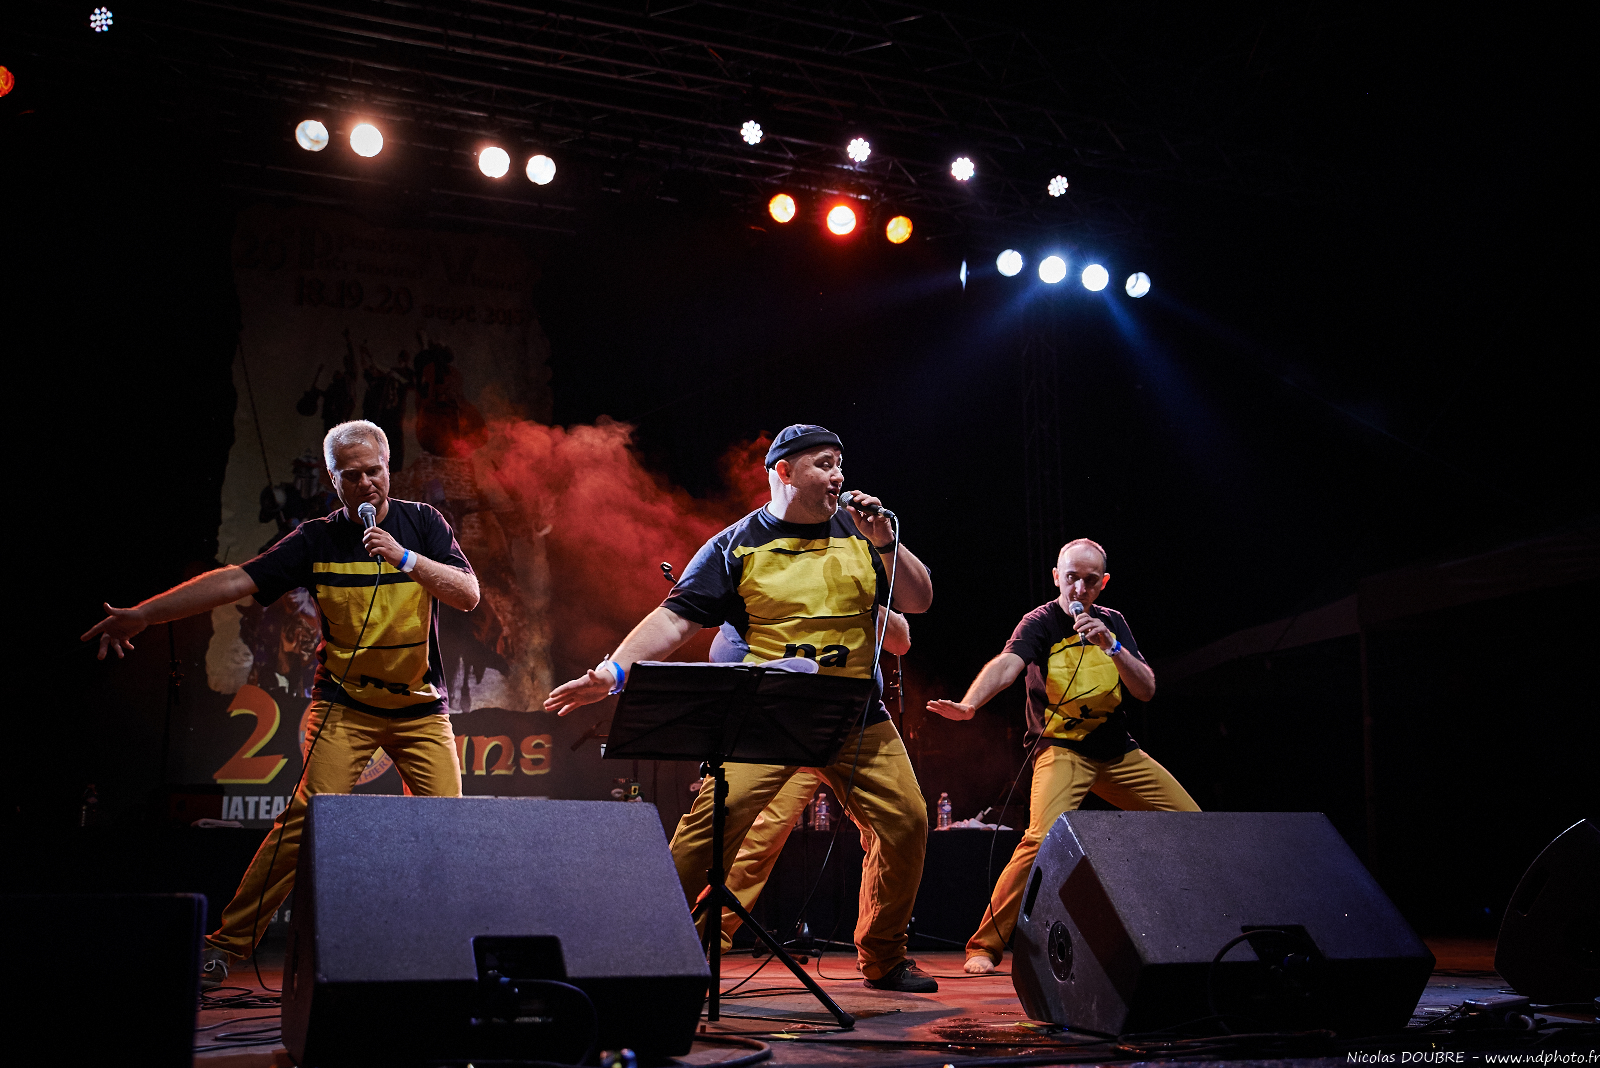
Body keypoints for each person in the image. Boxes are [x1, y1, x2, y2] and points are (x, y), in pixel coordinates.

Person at [81, 419, 480, 990]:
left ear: (389, 469)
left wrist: (405, 558)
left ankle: (444, 953)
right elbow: (233, 581)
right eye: (352, 475)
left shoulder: (423, 524)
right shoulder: (315, 540)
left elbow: (468, 594)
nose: (366, 484)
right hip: (345, 706)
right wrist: (144, 614)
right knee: (305, 821)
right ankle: (224, 946)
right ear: (333, 480)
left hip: (420, 709)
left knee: (449, 830)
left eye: (374, 471)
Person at [544, 424, 939, 992]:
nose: (838, 476)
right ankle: (646, 953)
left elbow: (918, 602)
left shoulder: (861, 533)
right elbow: (674, 619)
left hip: (855, 714)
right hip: (770, 715)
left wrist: (886, 542)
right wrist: (612, 673)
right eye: (824, 464)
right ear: (784, 471)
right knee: (710, 828)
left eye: (840, 463)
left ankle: (884, 956)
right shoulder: (735, 544)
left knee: (908, 821)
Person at [926, 537, 1199, 975]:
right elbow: (1008, 664)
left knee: (1193, 823)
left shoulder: (1113, 622)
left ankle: (1195, 931)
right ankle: (985, 945)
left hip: (1116, 752)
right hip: (1063, 750)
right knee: (1039, 840)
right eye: (1071, 578)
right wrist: (970, 704)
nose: (1079, 589)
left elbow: (1146, 689)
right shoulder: (1041, 622)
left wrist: (1113, 646)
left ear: (1102, 583)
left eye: (1090, 581)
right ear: (1056, 577)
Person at [709, 608, 911, 953]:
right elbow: (723, 650)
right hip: (776, 722)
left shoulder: (862, 578)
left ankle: (884, 956)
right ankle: (696, 945)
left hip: (849, 720)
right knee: (753, 837)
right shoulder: (767, 584)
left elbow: (900, 640)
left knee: (902, 823)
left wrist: (871, 595)